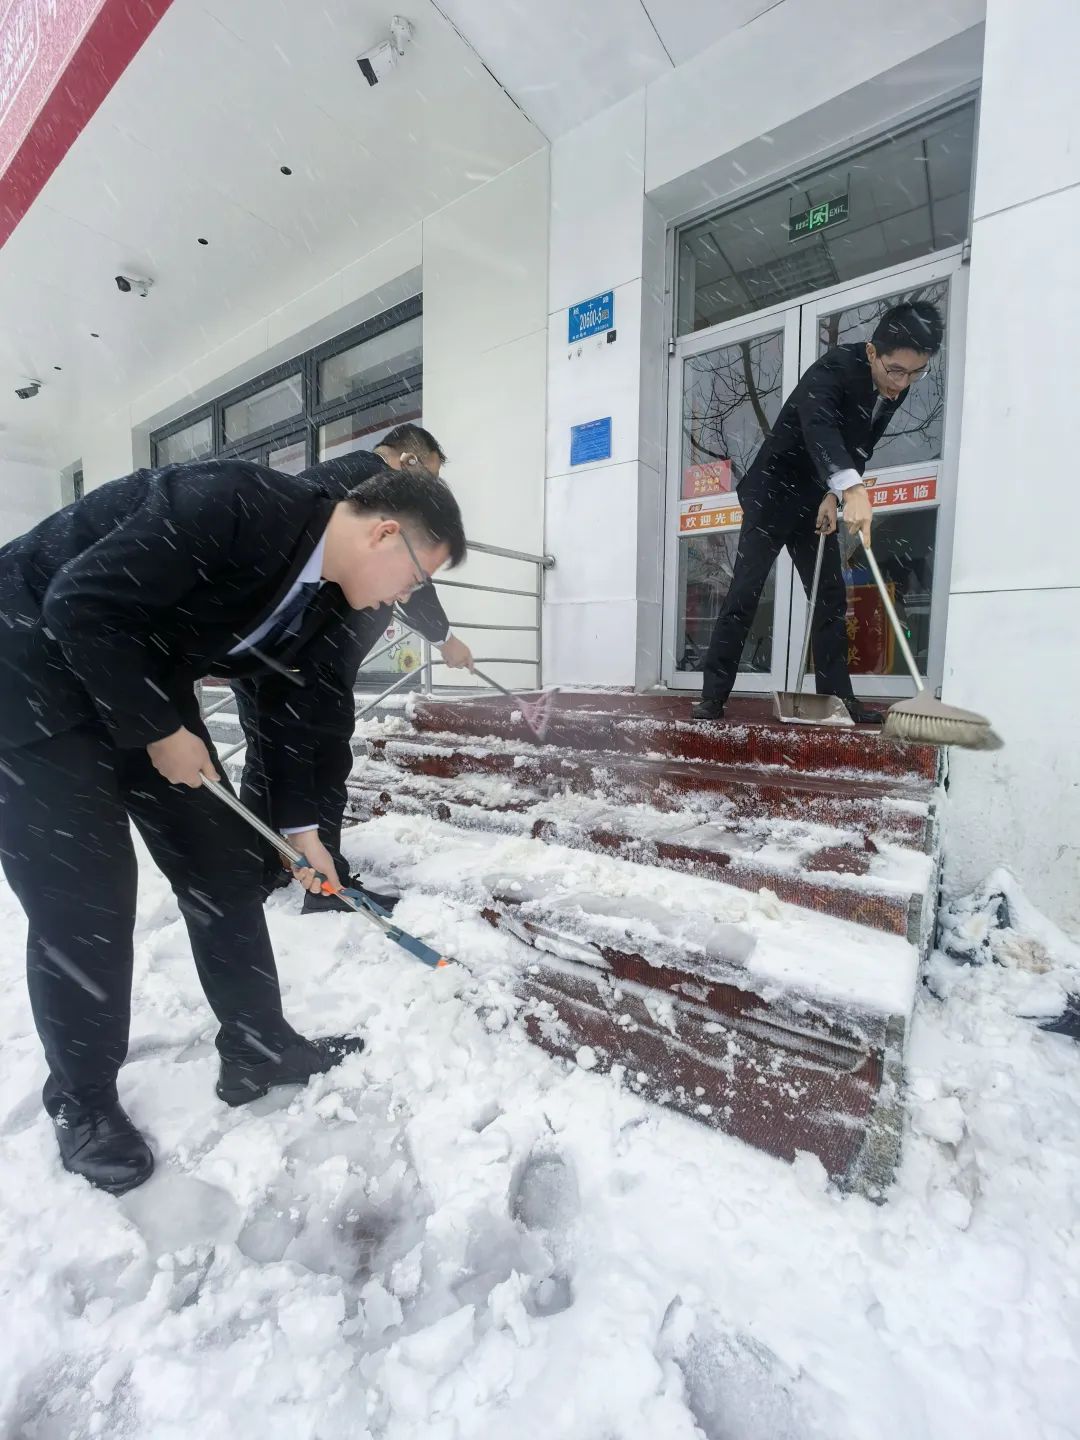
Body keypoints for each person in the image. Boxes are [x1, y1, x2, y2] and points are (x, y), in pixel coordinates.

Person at [0, 459, 466, 1195]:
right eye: (414, 578)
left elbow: (295, 711)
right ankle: (82, 1100)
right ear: (385, 534)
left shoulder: (327, 600)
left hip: (141, 675)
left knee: (221, 866)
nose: (407, 598)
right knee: (85, 904)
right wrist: (158, 729)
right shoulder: (231, 504)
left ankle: (257, 1045)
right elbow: (78, 602)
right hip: (29, 671)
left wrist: (304, 833)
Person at [232, 424, 474, 911]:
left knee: (266, 755)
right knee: (324, 756)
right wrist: (444, 638)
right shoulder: (372, 490)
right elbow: (407, 574)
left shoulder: (337, 478)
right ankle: (326, 883)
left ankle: (261, 866)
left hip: (278, 651)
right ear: (409, 461)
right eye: (430, 476)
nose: (428, 493)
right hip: (314, 655)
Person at [691, 299, 944, 724]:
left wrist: (832, 494)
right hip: (772, 493)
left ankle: (839, 701)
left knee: (830, 597)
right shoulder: (833, 370)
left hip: (813, 499)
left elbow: (860, 445)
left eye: (916, 374)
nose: (902, 384)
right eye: (896, 371)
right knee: (745, 592)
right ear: (871, 352)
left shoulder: (892, 388)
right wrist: (852, 488)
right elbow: (819, 427)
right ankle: (713, 696)